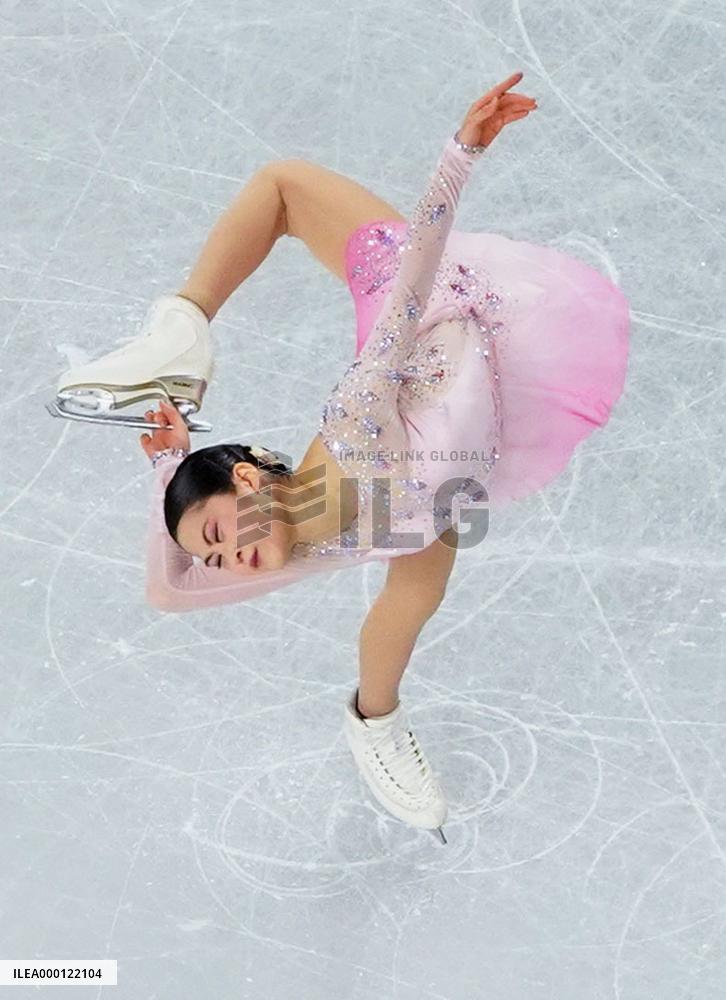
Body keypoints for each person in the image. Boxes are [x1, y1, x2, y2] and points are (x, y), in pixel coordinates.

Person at [55, 72, 631, 842]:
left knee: (285, 186)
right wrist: (169, 470)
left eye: (221, 537)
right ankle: (374, 726)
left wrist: (461, 153)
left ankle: (181, 326)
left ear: (252, 482)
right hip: (443, 482)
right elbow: (171, 591)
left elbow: (420, 273)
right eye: (218, 558)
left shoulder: (360, 418)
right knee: (408, 607)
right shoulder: (302, 545)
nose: (229, 562)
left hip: (433, 306)